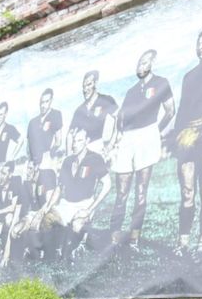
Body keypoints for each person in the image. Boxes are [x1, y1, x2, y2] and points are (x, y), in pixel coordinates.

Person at [109, 49, 176, 248]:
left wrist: (155, 132)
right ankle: (113, 239)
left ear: (152, 64)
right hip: (127, 139)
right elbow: (121, 118)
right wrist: (117, 136)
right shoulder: (131, 91)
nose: (141, 66)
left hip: (147, 135)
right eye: (139, 62)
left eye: (145, 62)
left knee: (140, 192)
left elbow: (170, 111)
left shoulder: (161, 83)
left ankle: (134, 239)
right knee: (121, 192)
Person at [173, 27, 202, 254]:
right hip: (188, 136)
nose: (200, 47)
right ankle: (183, 243)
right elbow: (182, 109)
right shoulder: (189, 76)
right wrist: (177, 137)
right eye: (198, 43)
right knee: (187, 190)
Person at [50, 129, 111, 259]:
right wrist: (47, 208)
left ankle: (78, 244)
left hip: (85, 204)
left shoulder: (95, 159)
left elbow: (107, 185)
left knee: (76, 226)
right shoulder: (67, 161)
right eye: (73, 141)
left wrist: (89, 210)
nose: (74, 145)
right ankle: (55, 246)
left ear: (87, 141)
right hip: (67, 203)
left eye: (79, 141)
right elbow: (59, 188)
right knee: (46, 220)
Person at [68, 70, 118, 156]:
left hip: (99, 148)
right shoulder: (79, 110)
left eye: (89, 85)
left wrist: (111, 144)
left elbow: (119, 119)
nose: (85, 89)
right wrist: (69, 156)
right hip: (82, 152)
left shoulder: (106, 100)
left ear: (96, 83)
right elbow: (70, 135)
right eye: (83, 86)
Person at [25, 88, 64, 173]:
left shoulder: (55, 115)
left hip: (46, 159)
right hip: (32, 162)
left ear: (51, 101)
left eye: (46, 102)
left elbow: (58, 141)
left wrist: (49, 154)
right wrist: (31, 161)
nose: (43, 105)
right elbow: (28, 147)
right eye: (42, 102)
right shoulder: (32, 122)